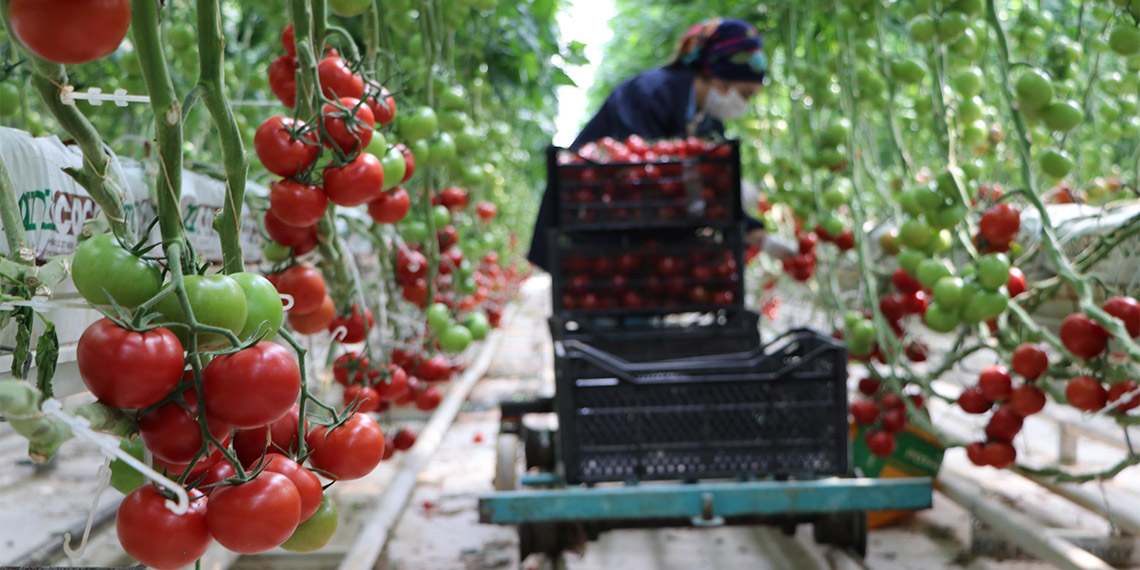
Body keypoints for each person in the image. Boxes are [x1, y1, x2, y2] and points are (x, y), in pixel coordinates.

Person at [528, 18, 793, 271]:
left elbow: (697, 190)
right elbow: (638, 172)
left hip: (635, 240)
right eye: (744, 93)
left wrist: (756, 232)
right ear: (719, 80)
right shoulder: (646, 94)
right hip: (588, 226)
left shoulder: (708, 123)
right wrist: (716, 186)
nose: (743, 104)